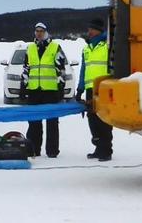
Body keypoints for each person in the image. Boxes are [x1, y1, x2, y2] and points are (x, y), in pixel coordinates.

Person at [21, 22, 68, 158]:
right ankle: (34, 149)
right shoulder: (30, 48)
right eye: (37, 31)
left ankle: (52, 151)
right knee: (34, 121)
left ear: (46, 32)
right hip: (34, 90)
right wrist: (23, 86)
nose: (39, 33)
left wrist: (60, 87)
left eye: (41, 31)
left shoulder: (55, 47)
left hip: (50, 90)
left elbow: (61, 69)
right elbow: (26, 69)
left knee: (52, 122)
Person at [75, 18, 112, 162]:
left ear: (99, 30)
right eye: (89, 29)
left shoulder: (107, 45)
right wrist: (80, 89)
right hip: (90, 89)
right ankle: (98, 147)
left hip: (104, 87)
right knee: (92, 120)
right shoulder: (86, 48)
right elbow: (84, 70)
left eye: (92, 29)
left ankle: (106, 150)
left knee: (103, 120)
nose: (89, 32)